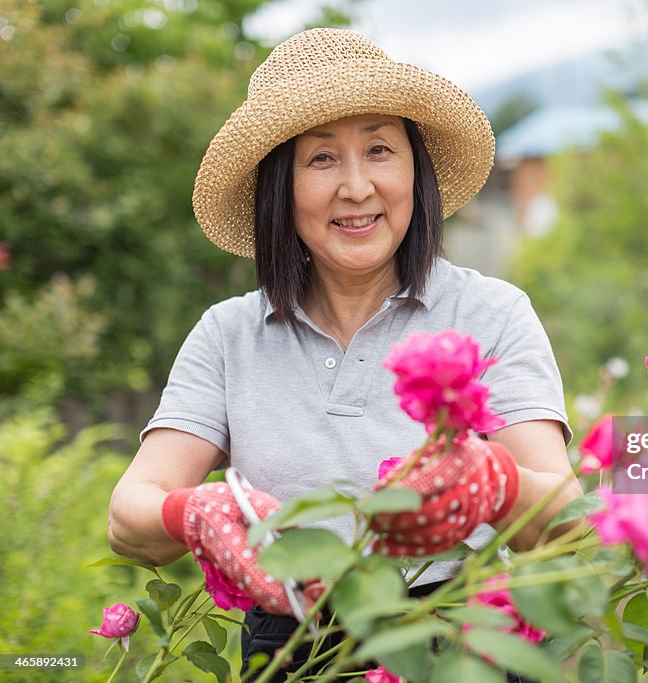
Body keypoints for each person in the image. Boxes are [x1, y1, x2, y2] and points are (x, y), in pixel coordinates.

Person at [106, 28, 581, 680]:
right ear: (281, 186)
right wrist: (190, 512)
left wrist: (495, 484)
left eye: (380, 149)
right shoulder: (229, 335)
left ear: (415, 167)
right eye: (322, 159)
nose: (357, 187)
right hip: (292, 649)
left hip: (463, 643)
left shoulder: (491, 315)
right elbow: (128, 516)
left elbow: (566, 517)